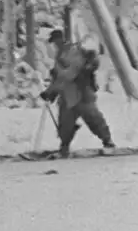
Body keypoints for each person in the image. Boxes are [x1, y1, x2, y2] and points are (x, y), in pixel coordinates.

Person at [39, 29, 115, 158]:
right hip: (67, 97)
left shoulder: (74, 52)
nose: (55, 44)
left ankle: (108, 143)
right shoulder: (59, 56)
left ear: (61, 39)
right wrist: (50, 92)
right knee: (65, 123)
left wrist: (58, 74)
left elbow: (70, 75)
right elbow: (59, 79)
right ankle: (64, 148)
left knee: (94, 119)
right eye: (53, 42)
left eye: (56, 41)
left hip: (82, 94)